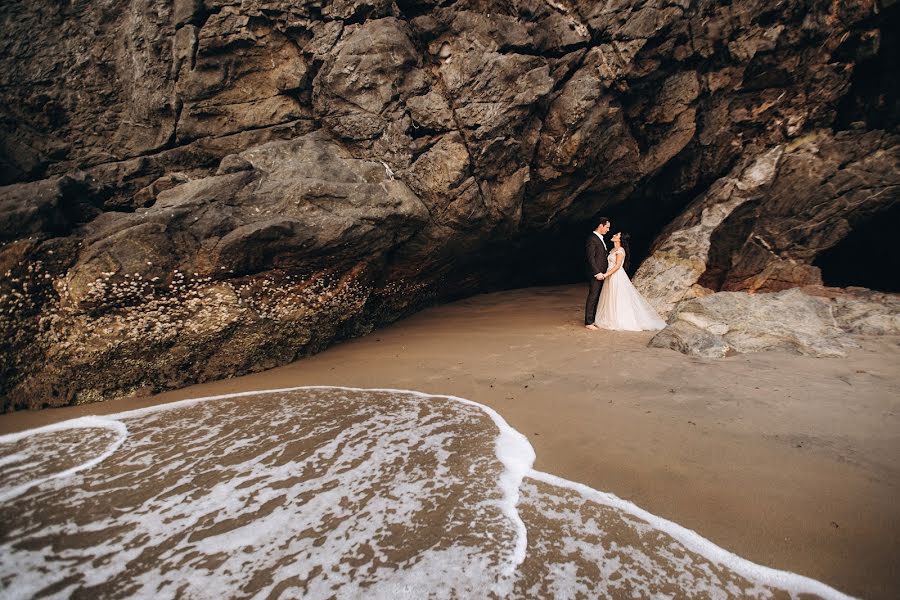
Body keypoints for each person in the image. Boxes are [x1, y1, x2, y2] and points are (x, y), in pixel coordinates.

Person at [594, 232, 667, 331]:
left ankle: (619, 319)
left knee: (617, 296)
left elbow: (617, 266)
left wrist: (605, 275)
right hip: (610, 276)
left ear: (620, 239)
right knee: (610, 296)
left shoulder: (620, 250)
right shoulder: (612, 250)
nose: (614, 235)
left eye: (617, 235)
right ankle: (610, 317)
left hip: (616, 276)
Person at [584, 217, 611, 330]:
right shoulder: (592, 239)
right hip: (597, 273)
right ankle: (588, 322)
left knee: (598, 296)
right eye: (607, 227)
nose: (608, 230)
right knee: (593, 296)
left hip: (602, 273)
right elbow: (591, 258)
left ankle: (594, 319)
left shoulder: (600, 238)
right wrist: (597, 272)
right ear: (601, 225)